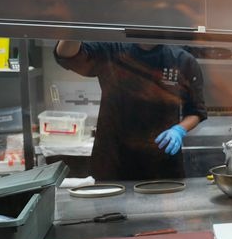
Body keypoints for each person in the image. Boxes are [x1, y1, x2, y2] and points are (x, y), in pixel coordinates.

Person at [54, 41, 207, 180]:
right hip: (113, 161)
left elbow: (196, 110)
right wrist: (74, 22)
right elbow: (67, 55)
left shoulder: (182, 60)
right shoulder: (111, 50)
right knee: (108, 210)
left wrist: (179, 130)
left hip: (163, 162)